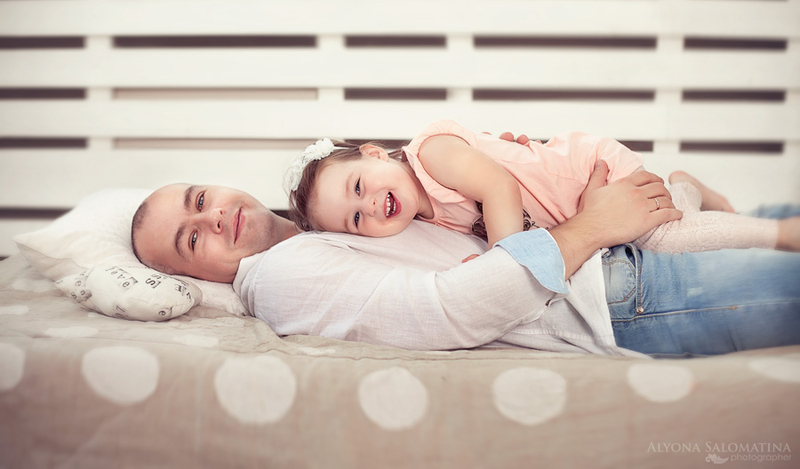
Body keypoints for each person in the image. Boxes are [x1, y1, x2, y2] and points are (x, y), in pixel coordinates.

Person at [131, 153, 800, 357]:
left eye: (199, 198)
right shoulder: (279, 277)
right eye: (192, 239)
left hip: (620, 246)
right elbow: (444, 312)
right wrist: (594, 226)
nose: (212, 217)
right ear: (193, 276)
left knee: (774, 221)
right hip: (616, 295)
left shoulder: (319, 221)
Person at [288, 120, 800, 254]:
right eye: (356, 219)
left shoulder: (430, 153)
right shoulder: (427, 216)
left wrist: (500, 263)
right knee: (662, 223)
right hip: (576, 207)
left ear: (376, 153)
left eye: (359, 185)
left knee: (660, 239)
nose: (369, 206)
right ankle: (686, 188)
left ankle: (780, 234)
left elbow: (500, 187)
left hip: (584, 172)